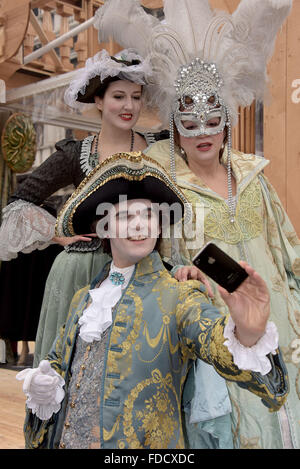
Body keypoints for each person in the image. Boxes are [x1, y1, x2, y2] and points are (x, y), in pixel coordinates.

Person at [95, 0, 299, 449]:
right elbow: (142, 259)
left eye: (212, 119)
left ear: (227, 119)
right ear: (174, 122)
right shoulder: (157, 176)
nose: (202, 131)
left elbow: (289, 254)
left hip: (282, 323)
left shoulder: (252, 175)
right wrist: (179, 277)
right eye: (189, 121)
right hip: (210, 329)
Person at [16, 152, 288, 449]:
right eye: (125, 216)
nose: (139, 226)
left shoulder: (180, 294)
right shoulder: (85, 298)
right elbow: (60, 361)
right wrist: (47, 384)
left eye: (148, 215)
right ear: (103, 228)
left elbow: (215, 343)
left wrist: (247, 333)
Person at [0, 48, 167, 366]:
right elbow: (19, 200)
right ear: (99, 101)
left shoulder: (159, 149)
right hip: (83, 272)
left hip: (143, 271)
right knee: (75, 368)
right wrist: (56, 235)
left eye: (135, 96)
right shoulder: (74, 154)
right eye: (118, 96)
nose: (128, 105)